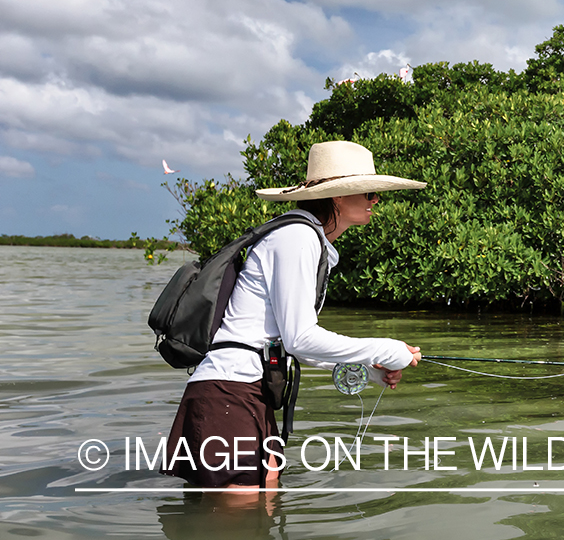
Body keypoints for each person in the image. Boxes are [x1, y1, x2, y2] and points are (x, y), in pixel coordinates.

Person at [162, 140, 425, 489]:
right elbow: (300, 338)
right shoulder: (298, 237)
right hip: (230, 392)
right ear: (338, 197)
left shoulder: (305, 237)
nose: (376, 201)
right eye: (370, 192)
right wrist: (388, 350)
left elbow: (285, 343)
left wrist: (366, 373)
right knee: (234, 528)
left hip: (246, 391)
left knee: (258, 511)